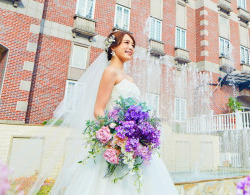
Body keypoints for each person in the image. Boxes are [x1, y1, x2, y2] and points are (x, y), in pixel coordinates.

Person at [44, 31, 178, 194]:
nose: (131, 48)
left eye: (133, 45)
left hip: (134, 143)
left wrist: (141, 133)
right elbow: (98, 110)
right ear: (113, 47)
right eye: (126, 43)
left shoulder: (129, 78)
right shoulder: (110, 72)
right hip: (117, 142)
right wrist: (116, 135)